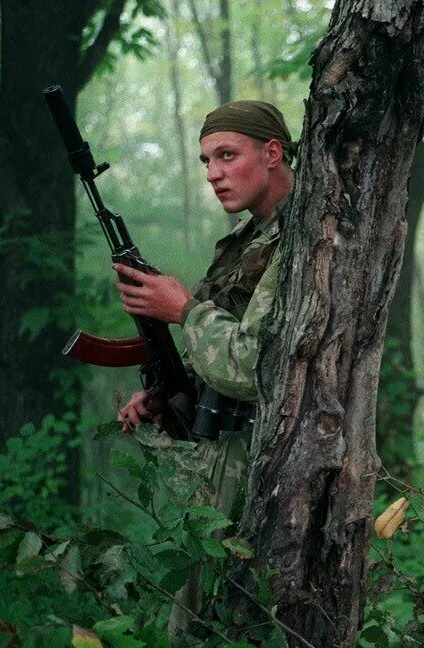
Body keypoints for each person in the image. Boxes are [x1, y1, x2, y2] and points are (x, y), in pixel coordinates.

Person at [111, 100, 295, 639]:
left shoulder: (300, 240)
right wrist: (171, 391)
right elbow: (221, 355)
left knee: (219, 627)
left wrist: (184, 309)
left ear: (272, 153)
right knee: (192, 625)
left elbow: (252, 366)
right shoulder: (246, 241)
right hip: (219, 464)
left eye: (227, 155)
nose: (213, 174)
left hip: (263, 469)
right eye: (205, 161)